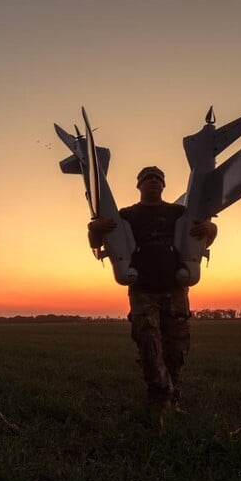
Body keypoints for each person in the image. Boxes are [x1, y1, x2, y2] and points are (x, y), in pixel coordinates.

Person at [87, 166, 217, 428]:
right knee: (148, 343)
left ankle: (173, 402)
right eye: (148, 179)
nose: (154, 182)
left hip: (176, 290)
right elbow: (98, 242)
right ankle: (157, 401)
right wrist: (94, 228)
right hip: (143, 290)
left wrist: (211, 230)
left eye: (159, 178)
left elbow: (202, 239)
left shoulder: (179, 213)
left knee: (176, 348)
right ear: (139, 185)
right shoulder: (125, 216)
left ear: (164, 185)